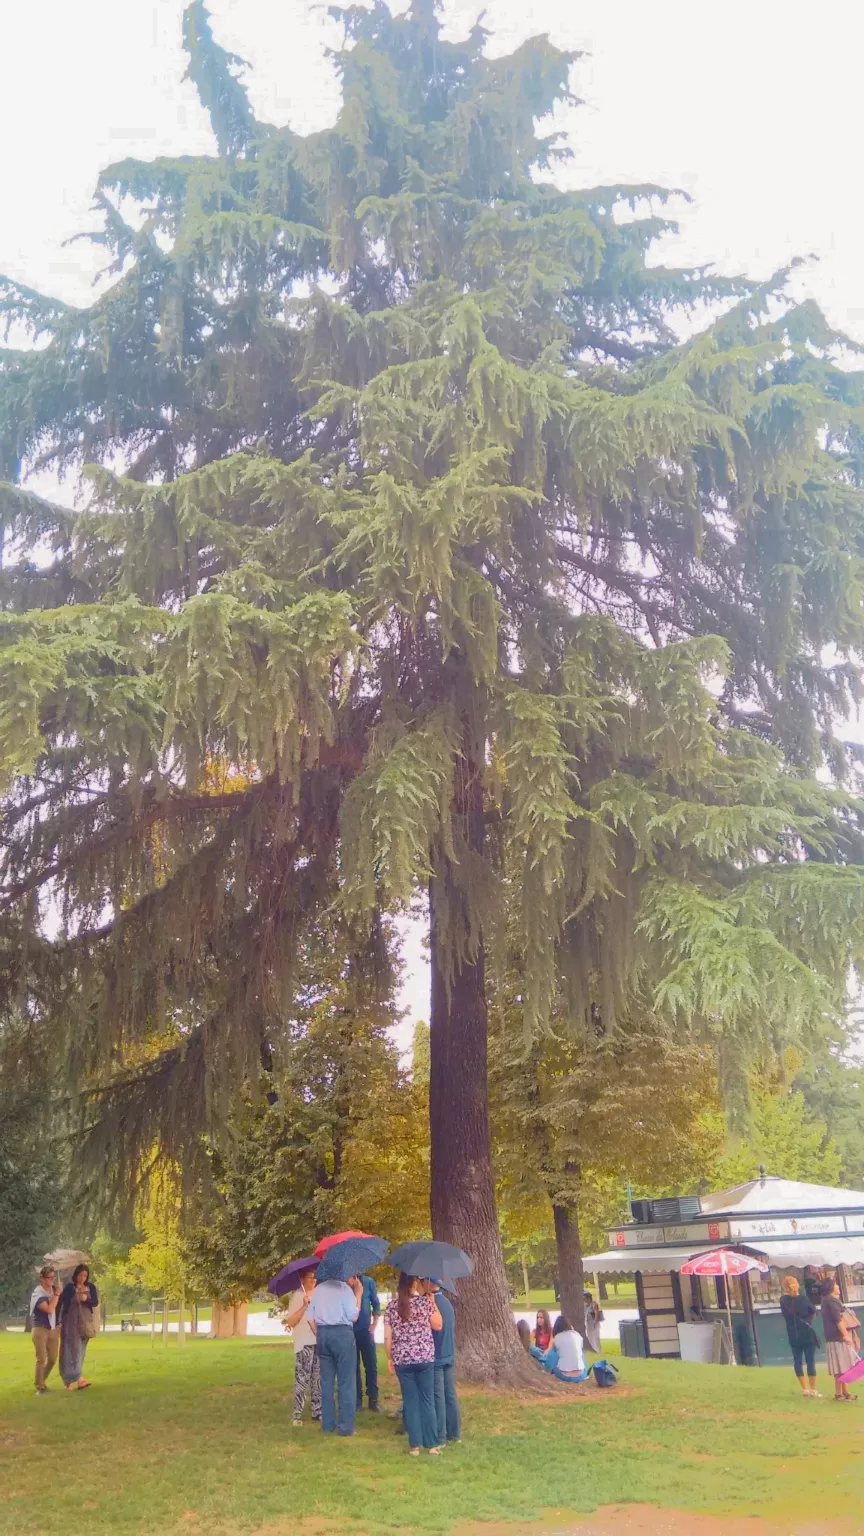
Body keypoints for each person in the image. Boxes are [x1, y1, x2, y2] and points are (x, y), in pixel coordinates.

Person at [384, 1273, 443, 1456]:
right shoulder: (424, 1303)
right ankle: (432, 1444)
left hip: (403, 1359)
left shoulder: (392, 1307)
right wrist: (432, 1301)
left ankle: (414, 1446)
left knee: (410, 1401)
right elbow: (438, 1325)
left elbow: (387, 1336)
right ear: (415, 1283)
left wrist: (390, 1357)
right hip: (424, 1357)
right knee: (427, 1399)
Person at [307, 1273, 362, 1435]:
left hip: (323, 1334)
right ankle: (345, 1426)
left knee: (326, 1382)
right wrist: (358, 1294)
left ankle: (328, 1424)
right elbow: (353, 1316)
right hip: (342, 1334)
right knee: (346, 1381)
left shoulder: (318, 1289)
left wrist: (320, 1333)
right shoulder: (344, 1289)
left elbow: (310, 1318)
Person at [284, 1267, 321, 1427]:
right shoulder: (298, 1296)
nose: (313, 1280)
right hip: (304, 1343)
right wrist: (304, 1306)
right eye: (310, 1277)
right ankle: (297, 1414)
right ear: (303, 1280)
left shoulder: (319, 1295)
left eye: (315, 1277)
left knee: (317, 1379)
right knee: (302, 1380)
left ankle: (317, 1411)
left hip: (318, 1341)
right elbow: (291, 1322)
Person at [57, 1263, 98, 1391]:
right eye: (81, 1275)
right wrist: (59, 1321)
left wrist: (86, 1299)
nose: (83, 1278)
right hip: (71, 1322)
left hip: (85, 1321)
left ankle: (74, 1378)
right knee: (70, 1350)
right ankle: (76, 1379)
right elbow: (61, 1304)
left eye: (85, 1275)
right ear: (76, 1275)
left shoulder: (90, 1287)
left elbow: (95, 1302)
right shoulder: (70, 1287)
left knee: (80, 1351)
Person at [430, 1280, 460, 1445]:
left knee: (438, 1396)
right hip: (449, 1353)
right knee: (450, 1394)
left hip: (437, 1355)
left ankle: (440, 1435)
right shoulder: (447, 1303)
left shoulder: (433, 1304)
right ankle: (454, 1432)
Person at [779, 1276, 821, 1398]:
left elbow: (785, 1315)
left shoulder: (783, 1300)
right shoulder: (803, 1298)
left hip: (793, 1333)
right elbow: (813, 1312)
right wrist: (808, 1320)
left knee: (797, 1360)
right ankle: (813, 1389)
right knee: (810, 1361)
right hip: (806, 1332)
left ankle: (804, 1389)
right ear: (797, 1285)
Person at [820, 1275, 858, 1402]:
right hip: (838, 1338)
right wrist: (846, 1336)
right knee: (840, 1366)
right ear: (831, 1287)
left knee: (844, 1366)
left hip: (833, 1337)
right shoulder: (831, 1301)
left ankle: (845, 1391)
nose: (838, 1286)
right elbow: (838, 1320)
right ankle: (839, 1393)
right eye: (835, 1284)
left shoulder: (827, 1300)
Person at [30, 1264, 61, 1394]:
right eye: (49, 1278)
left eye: (53, 1277)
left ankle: (42, 1380)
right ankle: (40, 1386)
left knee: (53, 1358)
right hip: (40, 1329)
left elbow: (60, 1304)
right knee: (41, 1358)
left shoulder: (53, 1289)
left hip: (53, 1328)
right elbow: (48, 1309)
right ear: (42, 1279)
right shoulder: (38, 1293)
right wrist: (57, 1293)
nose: (52, 1280)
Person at [530, 1313, 590, 1383]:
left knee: (554, 1353)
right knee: (580, 1353)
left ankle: (548, 1369)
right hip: (581, 1375)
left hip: (563, 1375)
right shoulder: (577, 1335)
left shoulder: (557, 1338)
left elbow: (551, 1357)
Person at [354, 1272, 382, 1413]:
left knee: (371, 1365)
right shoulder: (345, 1284)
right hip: (350, 1332)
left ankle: (373, 1399)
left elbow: (376, 1304)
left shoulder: (369, 1282)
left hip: (367, 1331)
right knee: (354, 1367)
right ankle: (357, 1401)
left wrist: (374, 1324)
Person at [583, 1290, 604, 1354]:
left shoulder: (594, 1304)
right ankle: (593, 1349)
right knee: (590, 1337)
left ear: (588, 1298)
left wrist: (594, 1322)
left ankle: (598, 1350)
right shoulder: (585, 1305)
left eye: (585, 1298)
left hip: (594, 1323)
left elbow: (596, 1313)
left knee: (596, 1337)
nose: (584, 1300)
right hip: (588, 1323)